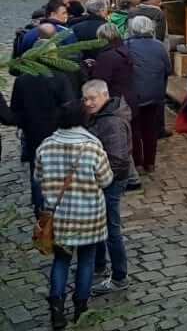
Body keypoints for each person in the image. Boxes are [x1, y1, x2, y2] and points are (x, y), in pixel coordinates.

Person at [35, 101, 113, 329]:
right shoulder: (93, 146)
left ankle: (57, 309)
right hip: (89, 216)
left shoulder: (45, 146)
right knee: (87, 261)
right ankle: (81, 306)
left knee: (61, 261)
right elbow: (106, 180)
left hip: (58, 218)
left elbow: (38, 178)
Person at [9, 39, 75, 214]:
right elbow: (69, 106)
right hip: (58, 133)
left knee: (37, 173)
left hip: (33, 133)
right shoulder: (60, 77)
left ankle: (41, 212)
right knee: (61, 172)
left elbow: (15, 109)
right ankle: (62, 210)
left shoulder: (23, 80)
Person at [82, 80, 132, 295]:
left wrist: (101, 178)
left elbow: (118, 159)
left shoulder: (111, 122)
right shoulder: (100, 115)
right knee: (100, 224)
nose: (89, 103)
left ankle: (120, 276)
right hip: (103, 179)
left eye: (93, 98)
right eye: (85, 99)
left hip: (110, 180)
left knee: (112, 229)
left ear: (104, 95)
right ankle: (99, 264)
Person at [124, 15, 171, 172]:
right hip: (154, 94)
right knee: (150, 129)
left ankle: (138, 163)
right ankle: (150, 163)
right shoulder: (159, 46)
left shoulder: (127, 45)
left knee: (135, 129)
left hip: (134, 94)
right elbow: (168, 69)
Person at [89, 24, 137, 109]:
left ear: (101, 37)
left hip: (115, 102)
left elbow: (99, 81)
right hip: (129, 98)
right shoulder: (125, 50)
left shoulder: (106, 56)